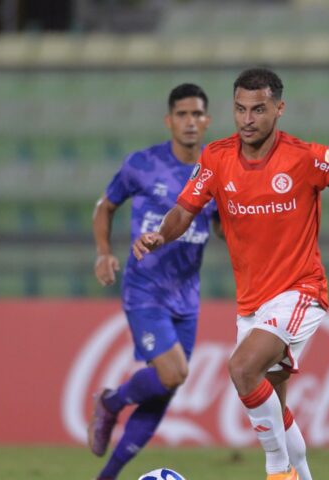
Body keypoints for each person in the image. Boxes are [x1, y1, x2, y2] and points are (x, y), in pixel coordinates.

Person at [132, 68, 329, 480]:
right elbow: (185, 209)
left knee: (241, 369)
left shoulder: (306, 157)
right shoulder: (216, 158)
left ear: (279, 109)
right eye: (239, 109)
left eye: (258, 109)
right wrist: (159, 236)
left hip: (301, 290)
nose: (247, 119)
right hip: (252, 303)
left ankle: (277, 472)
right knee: (274, 403)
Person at [88, 83, 218, 480]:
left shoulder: (216, 172)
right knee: (173, 373)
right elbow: (105, 206)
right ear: (169, 120)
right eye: (182, 114)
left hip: (187, 295)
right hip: (146, 288)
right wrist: (104, 251)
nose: (190, 122)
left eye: (197, 114)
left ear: (207, 121)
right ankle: (112, 402)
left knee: (166, 389)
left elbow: (228, 228)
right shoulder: (141, 165)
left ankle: (106, 476)